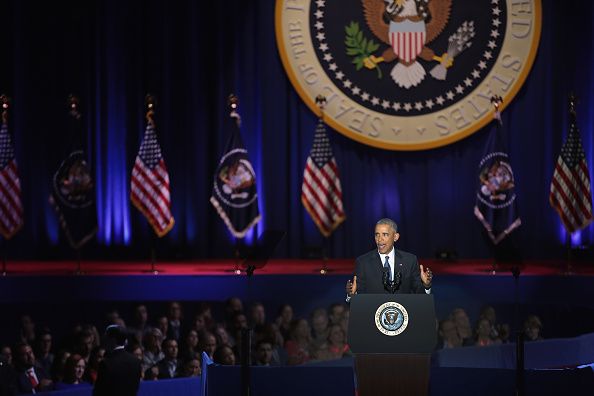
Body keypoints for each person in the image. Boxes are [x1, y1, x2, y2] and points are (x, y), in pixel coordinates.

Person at [346, 218, 433, 297]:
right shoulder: (363, 262)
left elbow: (420, 297)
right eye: (377, 235)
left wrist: (426, 286)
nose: (379, 239)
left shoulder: (409, 261)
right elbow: (359, 299)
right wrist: (352, 295)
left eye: (385, 234)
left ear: (395, 237)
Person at [93, 325, 141, 396]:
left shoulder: (106, 363)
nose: (104, 339)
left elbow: (99, 391)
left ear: (113, 339)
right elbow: (136, 387)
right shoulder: (135, 361)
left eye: (107, 337)